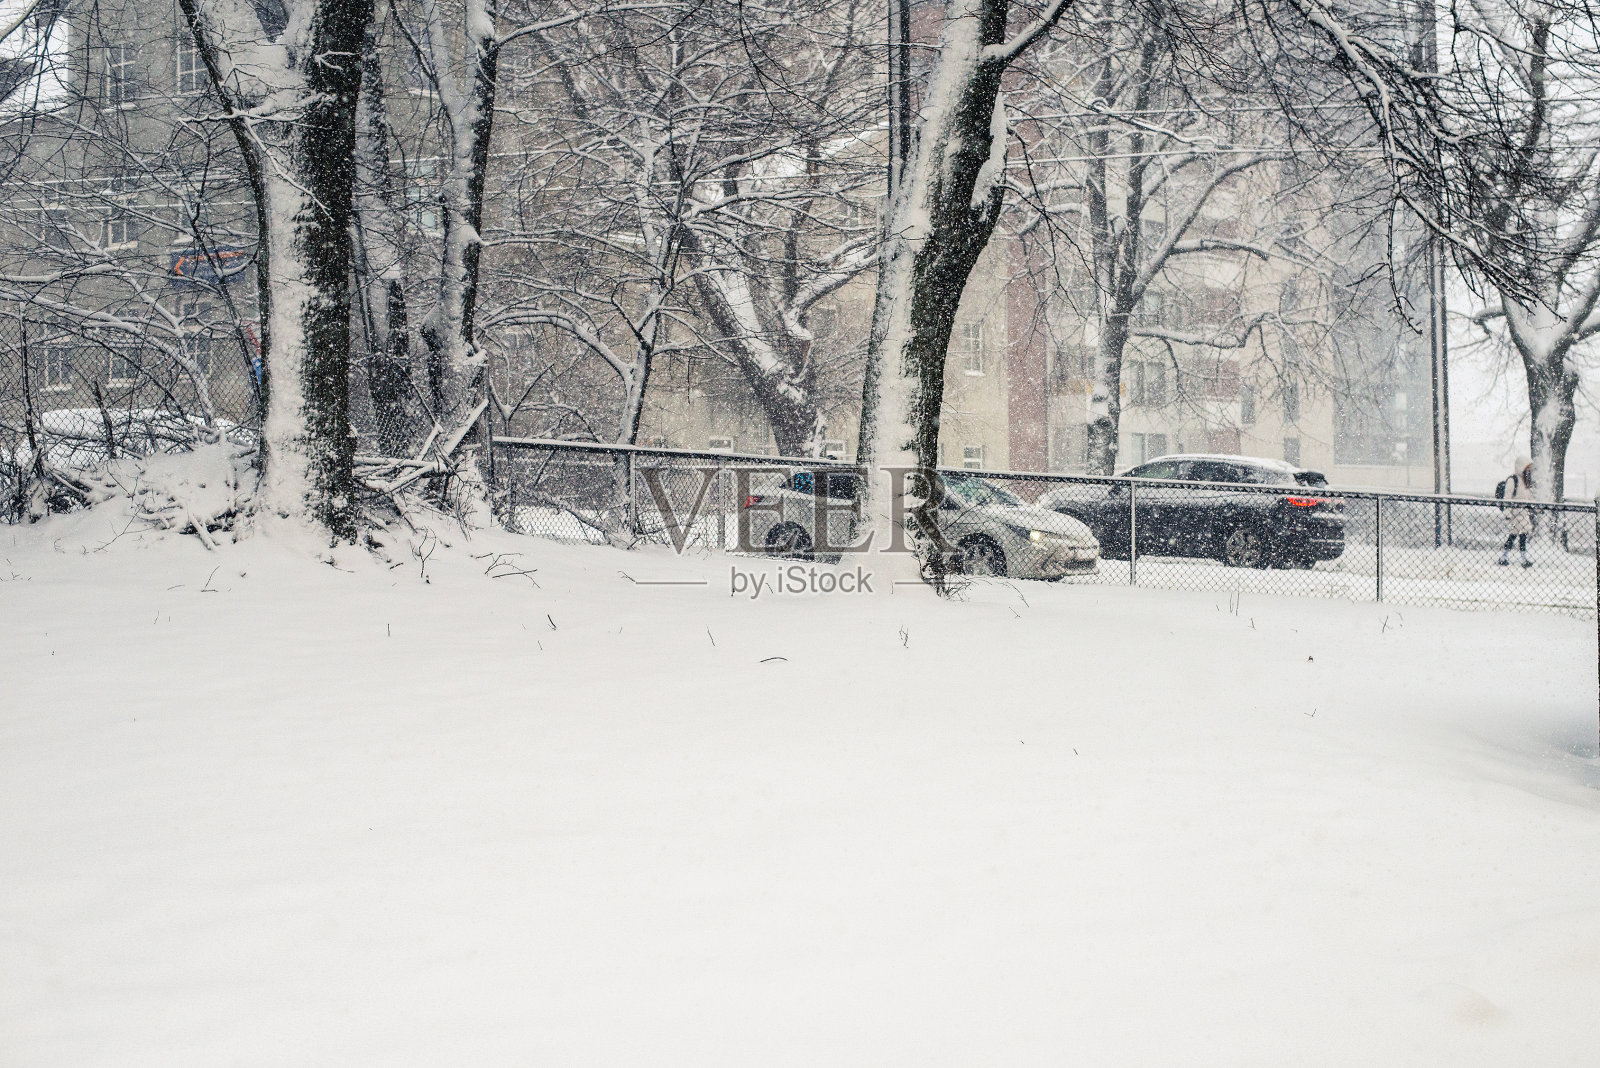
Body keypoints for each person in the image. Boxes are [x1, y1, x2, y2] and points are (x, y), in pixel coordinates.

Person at [1497, 456, 1535, 567]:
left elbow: (1529, 497)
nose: (1529, 470)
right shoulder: (1513, 480)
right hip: (1515, 513)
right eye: (1527, 468)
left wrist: (1536, 506)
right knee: (1517, 535)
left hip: (1523, 513)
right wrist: (1507, 511)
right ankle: (1519, 558)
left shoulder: (1525, 481)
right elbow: (1507, 496)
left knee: (1517, 535)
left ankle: (1506, 557)